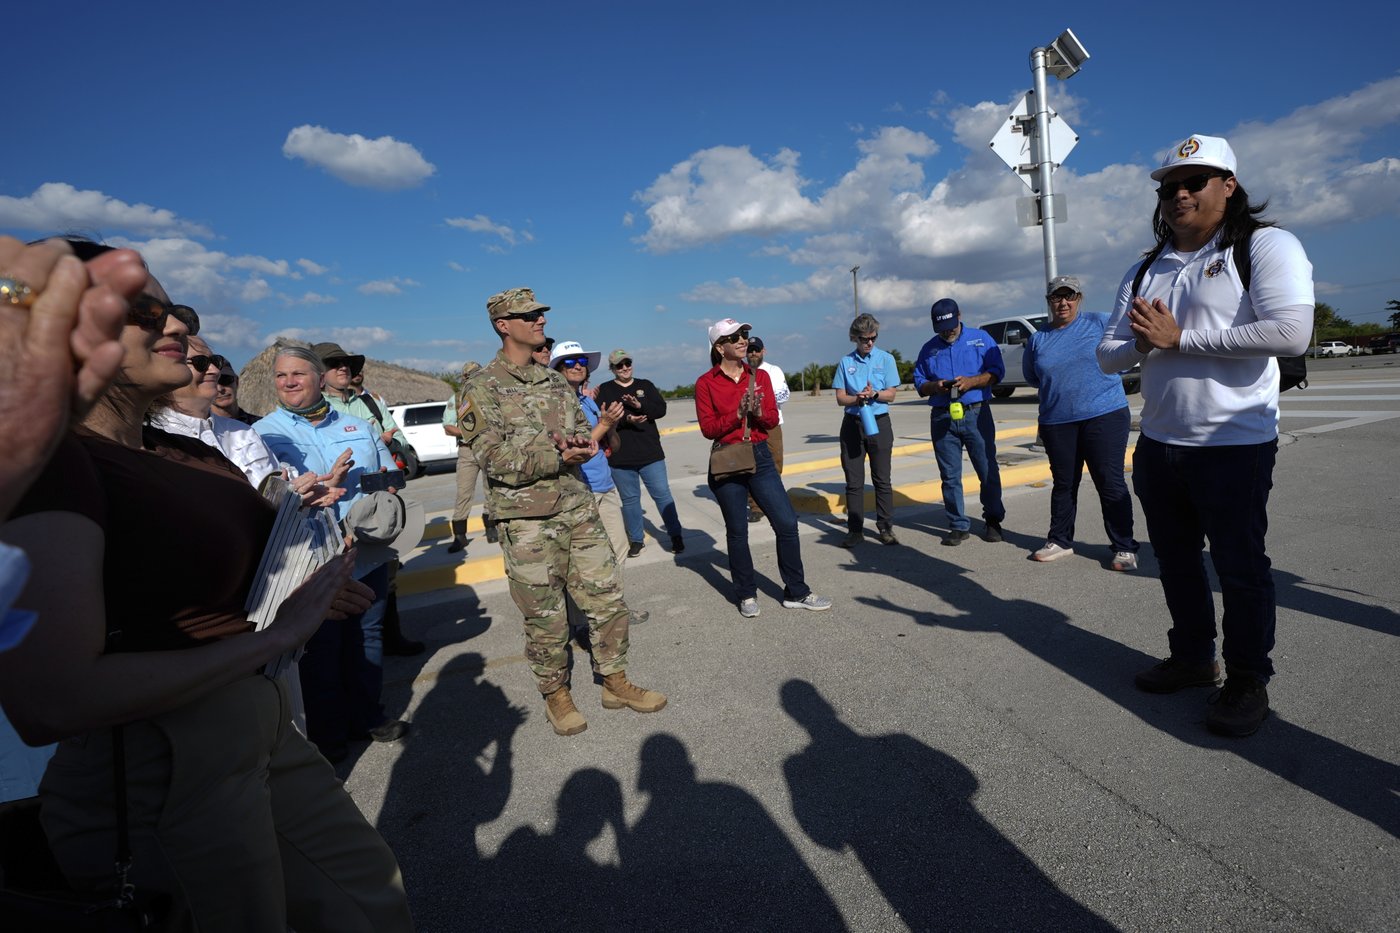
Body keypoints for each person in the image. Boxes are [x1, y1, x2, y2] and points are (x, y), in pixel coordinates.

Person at [0, 245, 412, 930]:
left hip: (262, 734)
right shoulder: (58, 465)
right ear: (61, 326)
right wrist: (276, 636)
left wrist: (300, 586)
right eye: (143, 311)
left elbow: (235, 568)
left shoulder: (181, 453)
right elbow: (51, 700)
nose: (180, 335)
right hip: (169, 768)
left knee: (370, 900)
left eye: (175, 315)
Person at [1098, 134, 1313, 737]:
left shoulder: (1265, 246)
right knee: (1175, 562)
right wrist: (1142, 342)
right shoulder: (1147, 267)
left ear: (1229, 186)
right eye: (1169, 186)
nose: (1180, 194)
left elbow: (1292, 332)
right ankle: (1194, 658)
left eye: (1195, 182)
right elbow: (1107, 356)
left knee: (1240, 566)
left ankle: (1248, 679)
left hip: (1234, 443)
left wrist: (1179, 340)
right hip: (1161, 444)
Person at [460, 287, 665, 737]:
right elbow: (495, 460)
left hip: (577, 507)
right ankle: (558, 696)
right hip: (527, 522)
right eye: (530, 315)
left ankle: (615, 681)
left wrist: (580, 444)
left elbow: (579, 434)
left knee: (608, 598)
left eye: (541, 314)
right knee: (546, 617)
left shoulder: (554, 381)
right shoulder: (480, 388)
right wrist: (558, 455)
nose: (541, 321)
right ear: (503, 324)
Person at [255, 345, 412, 760]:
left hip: (365, 549)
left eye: (298, 374)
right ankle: (328, 734)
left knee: (368, 635)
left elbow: (386, 471)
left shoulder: (355, 425)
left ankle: (368, 716)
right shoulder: (265, 433)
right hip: (311, 554)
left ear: (320, 379)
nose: (288, 382)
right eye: (281, 376)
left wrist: (386, 492)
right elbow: (264, 495)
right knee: (320, 647)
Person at [695, 318, 831, 618]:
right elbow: (708, 428)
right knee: (738, 532)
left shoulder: (760, 377)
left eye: (744, 334)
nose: (744, 340)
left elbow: (770, 419)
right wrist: (738, 413)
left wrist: (757, 411)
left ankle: (797, 591)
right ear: (720, 347)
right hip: (728, 459)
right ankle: (745, 593)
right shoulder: (706, 383)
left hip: (760, 455)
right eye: (735, 337)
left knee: (786, 523)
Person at [1022, 275, 1139, 570]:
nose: (1063, 302)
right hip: (1057, 421)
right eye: (1056, 297)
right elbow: (1034, 377)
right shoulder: (1039, 339)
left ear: (1079, 298)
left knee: (1109, 481)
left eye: (1069, 296)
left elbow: (1125, 355)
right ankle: (1060, 540)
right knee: (1063, 483)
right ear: (1048, 302)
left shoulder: (1100, 322)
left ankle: (1124, 546)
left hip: (1105, 414)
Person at [550, 340, 649, 625]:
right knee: (581, 562)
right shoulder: (555, 405)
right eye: (569, 362)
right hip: (580, 489)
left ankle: (611, 609)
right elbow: (572, 450)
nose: (578, 365)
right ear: (557, 370)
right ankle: (581, 620)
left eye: (581, 361)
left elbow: (611, 446)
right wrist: (604, 424)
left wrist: (612, 425)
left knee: (619, 549)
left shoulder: (588, 401)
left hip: (604, 486)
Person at [912, 299, 1006, 546]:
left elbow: (997, 372)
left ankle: (993, 520)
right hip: (943, 417)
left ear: (959, 316)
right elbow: (920, 383)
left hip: (976, 413)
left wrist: (973, 382)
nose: (948, 332)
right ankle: (957, 524)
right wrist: (936, 386)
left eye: (951, 326)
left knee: (987, 469)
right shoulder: (928, 349)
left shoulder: (981, 339)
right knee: (950, 474)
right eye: (942, 328)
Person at [148, 335, 282, 490]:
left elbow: (272, 498)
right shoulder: (151, 438)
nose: (214, 370)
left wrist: (291, 493)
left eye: (214, 361)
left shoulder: (244, 432)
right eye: (201, 363)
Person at [596, 349, 686, 556]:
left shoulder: (645, 385)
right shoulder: (606, 390)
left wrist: (640, 405)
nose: (625, 368)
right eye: (619, 365)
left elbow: (660, 410)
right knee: (630, 500)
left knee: (663, 496)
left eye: (627, 363)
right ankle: (636, 539)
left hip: (650, 455)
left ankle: (676, 535)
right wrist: (628, 418)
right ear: (612, 369)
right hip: (621, 457)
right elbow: (603, 416)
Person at [833, 313, 900, 547]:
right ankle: (855, 530)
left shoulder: (886, 359)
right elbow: (840, 398)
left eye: (873, 337)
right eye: (864, 339)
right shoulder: (845, 362)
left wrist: (875, 394)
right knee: (854, 481)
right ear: (854, 338)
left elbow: (891, 394)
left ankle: (885, 527)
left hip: (879, 421)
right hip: (853, 423)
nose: (869, 342)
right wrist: (856, 398)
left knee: (882, 479)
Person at [442, 360, 496, 551]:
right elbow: (448, 427)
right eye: (470, 375)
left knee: (491, 489)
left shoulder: (489, 395)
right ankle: (459, 535)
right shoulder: (456, 399)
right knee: (464, 492)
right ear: (464, 378)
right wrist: (468, 432)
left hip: (489, 447)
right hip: (468, 449)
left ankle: (491, 528)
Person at [743, 336, 790, 523]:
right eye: (750, 350)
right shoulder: (741, 371)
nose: (753, 353)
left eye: (757, 349)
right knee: (749, 466)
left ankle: (773, 501)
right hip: (748, 426)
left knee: (775, 462)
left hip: (771, 424)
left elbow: (784, 394)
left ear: (764, 351)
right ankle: (755, 506)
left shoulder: (773, 370)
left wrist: (760, 399)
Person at [212, 358, 259, 425]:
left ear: (237, 382)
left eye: (225, 380)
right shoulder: (197, 428)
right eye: (212, 383)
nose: (220, 389)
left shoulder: (260, 426)